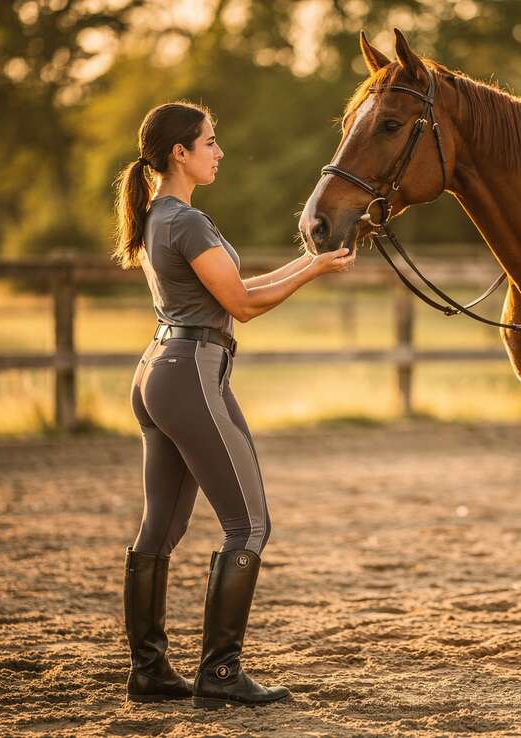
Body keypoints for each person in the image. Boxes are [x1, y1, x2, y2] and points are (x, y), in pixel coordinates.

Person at [112, 100, 354, 708]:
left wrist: (312, 263)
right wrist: (311, 273)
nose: (219, 152)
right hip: (192, 371)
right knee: (249, 525)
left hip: (160, 371)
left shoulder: (160, 217)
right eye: (210, 142)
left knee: (160, 530)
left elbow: (237, 292)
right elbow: (243, 307)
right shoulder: (187, 223)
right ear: (180, 154)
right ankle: (219, 675)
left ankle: (150, 671)